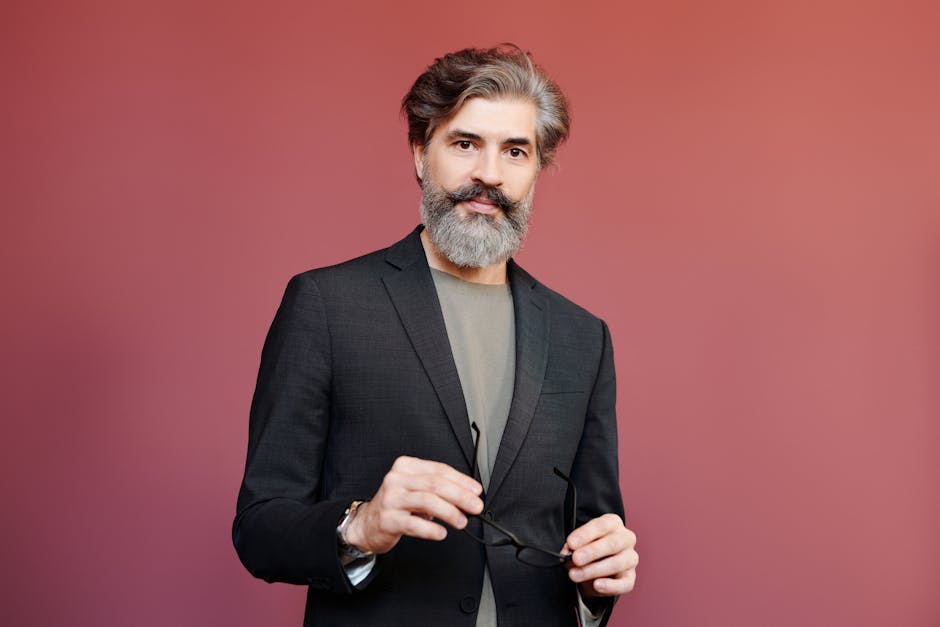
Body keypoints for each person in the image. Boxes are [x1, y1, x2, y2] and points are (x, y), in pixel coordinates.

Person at [233, 44, 639, 627]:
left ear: (536, 171)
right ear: (421, 154)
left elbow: (592, 536)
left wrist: (600, 584)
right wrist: (363, 525)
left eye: (516, 151)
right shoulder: (326, 305)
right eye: (465, 143)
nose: (489, 174)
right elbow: (259, 526)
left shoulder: (584, 337)